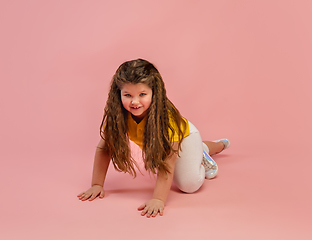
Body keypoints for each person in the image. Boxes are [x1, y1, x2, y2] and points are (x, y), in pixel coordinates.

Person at [77, 59, 230, 218]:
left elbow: (167, 163)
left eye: (142, 94)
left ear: (153, 92)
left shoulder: (166, 120)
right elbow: (104, 148)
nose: (135, 102)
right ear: (118, 94)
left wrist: (158, 199)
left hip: (185, 136)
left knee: (188, 185)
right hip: (171, 145)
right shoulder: (117, 116)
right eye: (127, 95)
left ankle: (204, 150)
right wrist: (96, 184)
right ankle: (202, 149)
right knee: (189, 160)